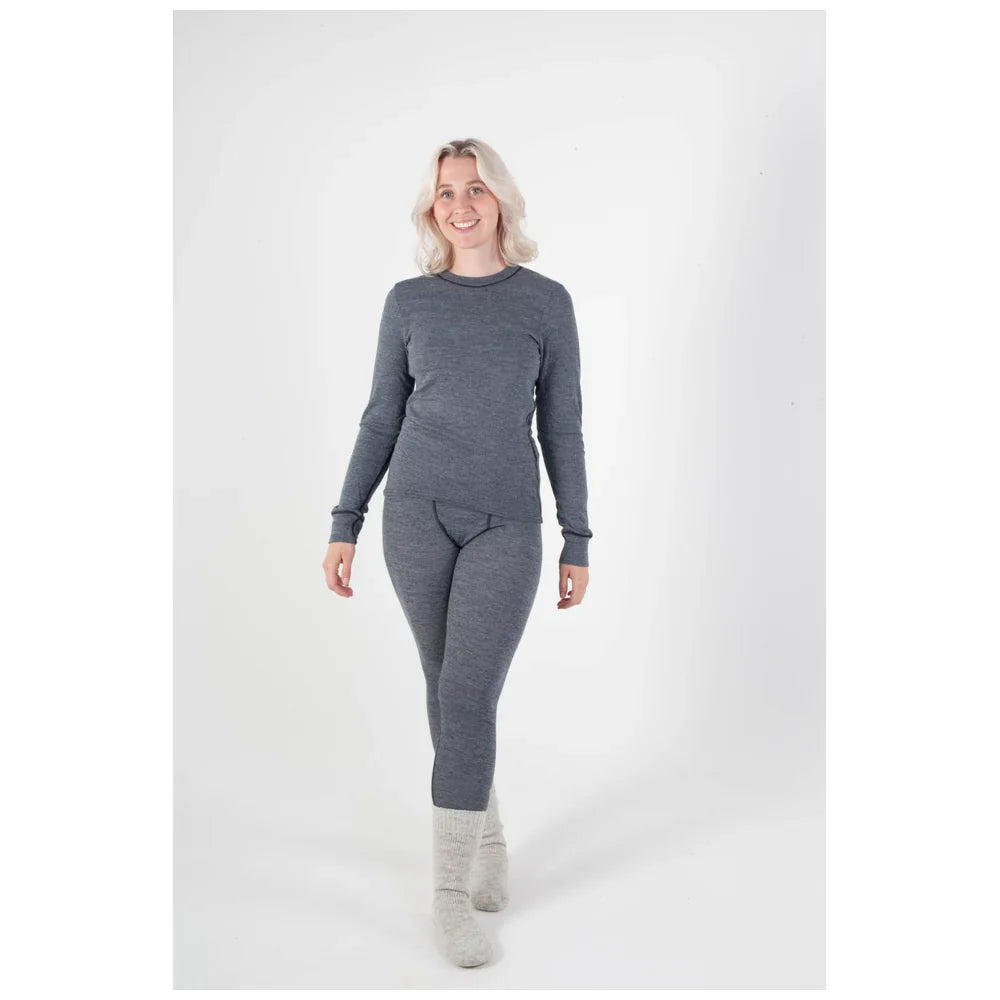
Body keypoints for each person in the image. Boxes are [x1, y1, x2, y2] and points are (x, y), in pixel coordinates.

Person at [321, 137, 593, 968]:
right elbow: (381, 416)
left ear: (500, 198)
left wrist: (577, 536)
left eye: (475, 188)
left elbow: (562, 428)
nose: (461, 204)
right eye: (445, 192)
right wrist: (345, 521)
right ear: (431, 208)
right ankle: (481, 849)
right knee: (449, 693)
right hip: (415, 514)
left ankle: (446, 897)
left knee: (468, 693)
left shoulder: (545, 303)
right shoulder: (409, 302)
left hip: (506, 523)